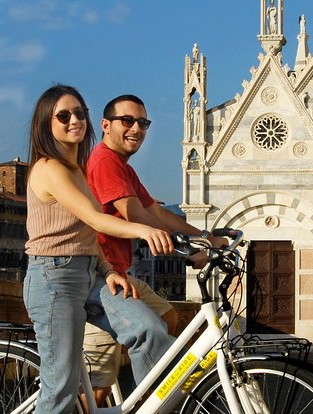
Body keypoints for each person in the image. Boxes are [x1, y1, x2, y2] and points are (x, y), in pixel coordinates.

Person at [23, 84, 176, 414]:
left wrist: (107, 271)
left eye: (80, 113)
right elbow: (95, 218)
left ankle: (154, 409)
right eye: (64, 115)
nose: (74, 120)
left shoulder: (77, 170)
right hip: (54, 279)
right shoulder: (47, 168)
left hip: (91, 274)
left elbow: (87, 232)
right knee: (61, 389)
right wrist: (144, 229)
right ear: (45, 124)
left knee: (148, 329)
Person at [82, 94, 226, 406]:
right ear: (106, 125)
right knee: (94, 392)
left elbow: (157, 213)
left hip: (119, 276)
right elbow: (137, 216)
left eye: (143, 123)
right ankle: (153, 404)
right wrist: (184, 249)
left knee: (167, 317)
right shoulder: (105, 161)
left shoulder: (122, 167)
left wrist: (204, 236)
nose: (137, 128)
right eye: (128, 121)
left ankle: (148, 395)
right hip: (95, 278)